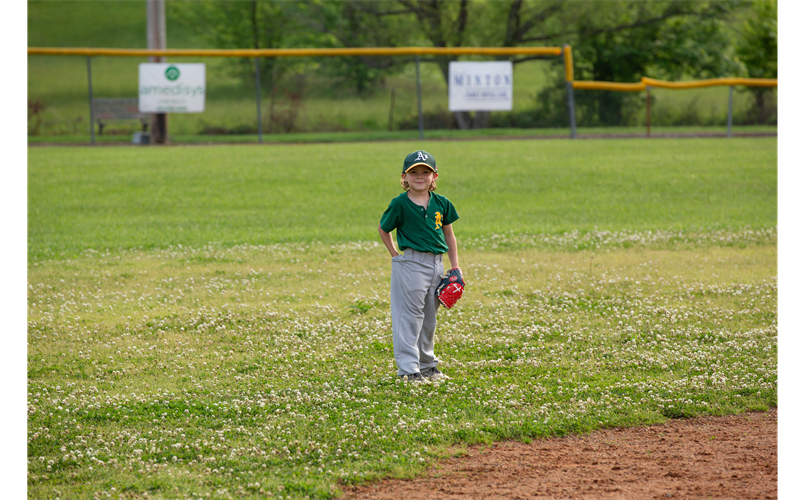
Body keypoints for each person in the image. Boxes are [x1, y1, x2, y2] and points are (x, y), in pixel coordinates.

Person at [378, 150, 462, 381]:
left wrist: (454, 267)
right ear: (404, 177)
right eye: (413, 172)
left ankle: (427, 365)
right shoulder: (400, 203)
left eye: (426, 172)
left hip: (437, 263)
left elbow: (449, 236)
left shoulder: (442, 203)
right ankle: (408, 369)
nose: (420, 176)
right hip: (412, 262)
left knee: (429, 318)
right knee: (410, 316)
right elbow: (383, 229)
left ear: (435, 176)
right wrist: (396, 255)